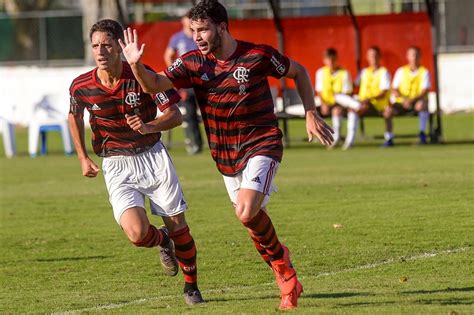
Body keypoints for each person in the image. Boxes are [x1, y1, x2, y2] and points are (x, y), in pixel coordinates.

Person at [118, 0, 334, 310]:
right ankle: (282, 268)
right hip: (225, 155)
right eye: (193, 30)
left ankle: (284, 272)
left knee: (246, 212)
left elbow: (298, 72)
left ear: (222, 27)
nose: (197, 37)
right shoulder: (192, 62)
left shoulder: (257, 56)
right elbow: (154, 85)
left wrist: (310, 112)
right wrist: (136, 64)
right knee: (251, 223)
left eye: (203, 29)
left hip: (262, 143)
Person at [68, 19, 204, 305]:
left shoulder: (142, 76)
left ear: (119, 46)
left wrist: (149, 125)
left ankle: (191, 287)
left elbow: (175, 115)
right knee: (137, 234)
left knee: (179, 224)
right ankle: (163, 241)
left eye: (106, 44)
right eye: (95, 45)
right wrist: (82, 157)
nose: (100, 51)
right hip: (116, 164)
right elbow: (73, 115)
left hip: (152, 157)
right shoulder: (81, 86)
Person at [164, 14, 203, 154]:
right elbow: (168, 55)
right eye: (187, 19)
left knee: (212, 112)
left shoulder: (200, 35)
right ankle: (196, 144)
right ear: (183, 21)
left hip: (203, 80)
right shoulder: (177, 37)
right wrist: (175, 74)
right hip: (186, 83)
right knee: (190, 114)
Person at [315, 48, 360, 150]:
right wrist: (323, 103)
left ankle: (337, 138)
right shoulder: (320, 72)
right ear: (324, 60)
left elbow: (347, 93)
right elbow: (319, 91)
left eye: (333, 59)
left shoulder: (345, 73)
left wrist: (337, 101)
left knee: (337, 111)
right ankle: (327, 137)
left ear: (336, 59)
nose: (330, 62)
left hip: (340, 103)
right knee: (311, 112)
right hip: (326, 102)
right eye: (328, 59)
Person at [391, 46, 431, 144]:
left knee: (422, 105)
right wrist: (404, 99)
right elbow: (394, 88)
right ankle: (389, 138)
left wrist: (411, 100)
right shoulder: (401, 71)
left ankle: (422, 134)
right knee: (388, 111)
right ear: (407, 57)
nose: (414, 57)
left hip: (415, 102)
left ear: (420, 57)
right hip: (401, 102)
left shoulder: (424, 72)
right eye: (412, 55)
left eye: (416, 55)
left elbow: (424, 90)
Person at [357, 46, 394, 147]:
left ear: (379, 57)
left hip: (380, 105)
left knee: (388, 112)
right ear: (367, 57)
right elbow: (354, 85)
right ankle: (350, 139)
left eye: (375, 55)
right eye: (370, 55)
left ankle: (389, 138)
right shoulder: (363, 72)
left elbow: (384, 92)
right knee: (353, 110)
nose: (373, 58)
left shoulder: (384, 72)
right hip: (366, 104)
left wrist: (369, 99)